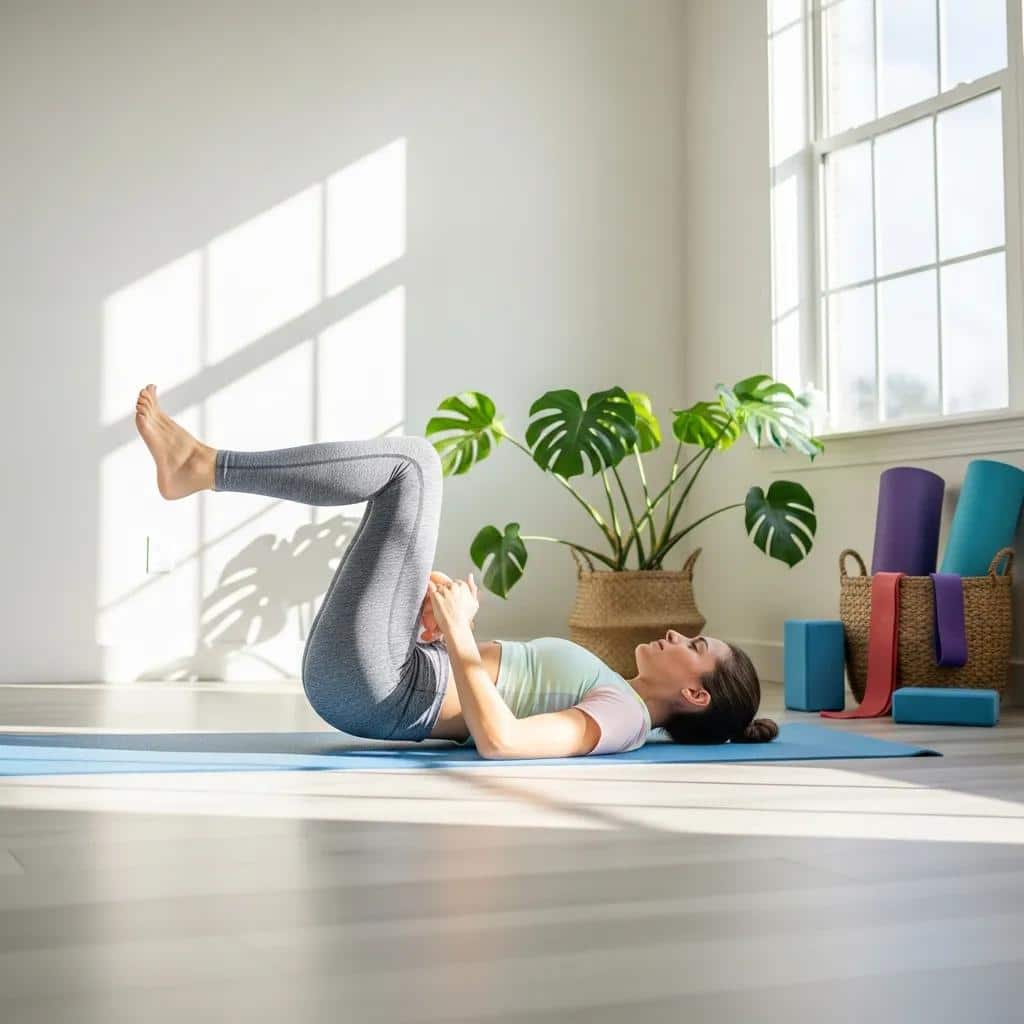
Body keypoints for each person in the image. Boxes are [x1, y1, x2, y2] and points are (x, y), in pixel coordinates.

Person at [135, 384, 778, 759]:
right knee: (407, 477)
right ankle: (200, 466)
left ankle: (203, 465)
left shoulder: (625, 718)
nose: (677, 636)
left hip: (383, 689)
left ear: (695, 695)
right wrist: (441, 631)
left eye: (694, 648)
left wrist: (463, 632)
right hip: (397, 673)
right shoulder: (617, 687)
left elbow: (502, 743)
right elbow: (487, 698)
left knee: (414, 467)